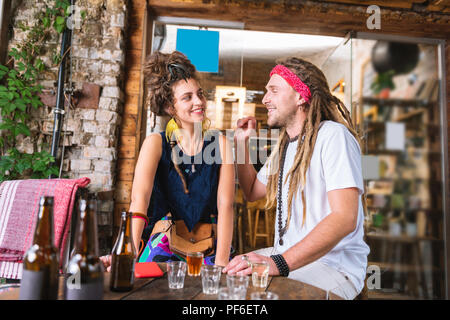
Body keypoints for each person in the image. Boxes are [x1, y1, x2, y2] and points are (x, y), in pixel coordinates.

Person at [223, 57, 370, 300]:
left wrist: (278, 263)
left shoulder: (333, 136)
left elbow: (345, 218)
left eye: (274, 90)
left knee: (253, 295)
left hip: (333, 267)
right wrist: (240, 143)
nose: (265, 99)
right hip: (290, 259)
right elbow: (251, 191)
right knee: (231, 277)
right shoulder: (285, 147)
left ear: (301, 96)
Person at [101, 51, 235, 270]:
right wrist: (128, 255)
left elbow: (226, 205)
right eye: (187, 97)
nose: (199, 101)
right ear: (169, 108)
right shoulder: (155, 143)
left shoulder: (221, 144)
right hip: (163, 244)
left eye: (199, 94)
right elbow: (139, 201)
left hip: (211, 246)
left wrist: (221, 264)